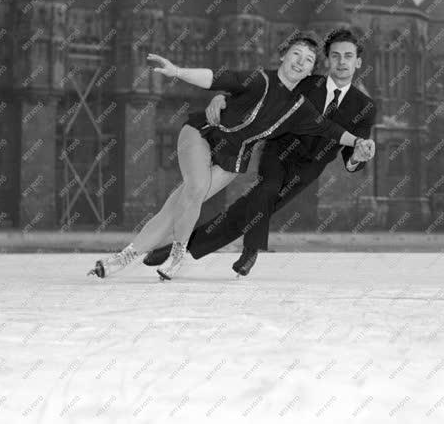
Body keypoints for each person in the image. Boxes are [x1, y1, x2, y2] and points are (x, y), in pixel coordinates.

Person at [88, 30, 374, 279]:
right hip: (204, 134)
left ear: (312, 70)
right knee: (197, 188)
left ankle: (120, 259)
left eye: (308, 59)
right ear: (283, 56)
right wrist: (179, 73)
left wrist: (359, 142)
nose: (300, 61)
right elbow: (218, 79)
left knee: (178, 206)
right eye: (295, 54)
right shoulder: (259, 79)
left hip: (234, 158)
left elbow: (329, 129)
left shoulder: (301, 105)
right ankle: (178, 254)